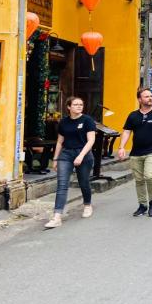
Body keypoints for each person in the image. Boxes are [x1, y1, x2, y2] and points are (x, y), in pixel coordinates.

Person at [118, 88, 152, 217]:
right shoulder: (133, 115)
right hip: (136, 152)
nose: (150, 98)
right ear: (139, 99)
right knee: (139, 180)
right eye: (146, 96)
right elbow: (126, 131)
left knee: (149, 175)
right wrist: (121, 147)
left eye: (150, 96)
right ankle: (142, 205)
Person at [44, 97, 96, 229]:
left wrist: (81, 156)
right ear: (69, 107)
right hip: (66, 154)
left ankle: (87, 205)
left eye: (81, 104)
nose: (79, 106)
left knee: (83, 182)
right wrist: (55, 159)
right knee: (62, 184)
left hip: (83, 153)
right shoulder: (63, 122)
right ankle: (57, 217)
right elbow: (60, 142)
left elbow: (91, 140)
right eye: (76, 104)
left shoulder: (87, 120)